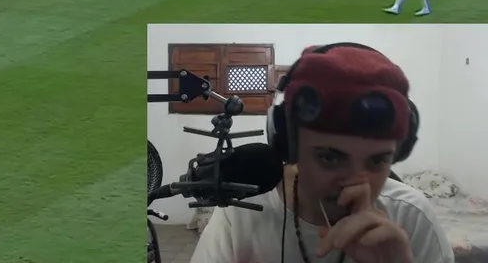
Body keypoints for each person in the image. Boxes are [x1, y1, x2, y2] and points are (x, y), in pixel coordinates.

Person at [191, 43, 454, 263]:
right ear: (290, 148)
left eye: (378, 161)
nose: (354, 185)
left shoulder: (413, 218)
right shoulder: (240, 216)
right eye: (330, 158)